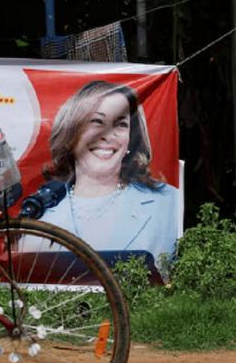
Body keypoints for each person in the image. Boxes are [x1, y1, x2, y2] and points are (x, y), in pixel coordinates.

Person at [37, 81, 180, 270]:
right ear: (71, 134)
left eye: (120, 124)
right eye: (96, 121)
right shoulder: (40, 211)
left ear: (131, 138)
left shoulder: (169, 202)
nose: (107, 135)